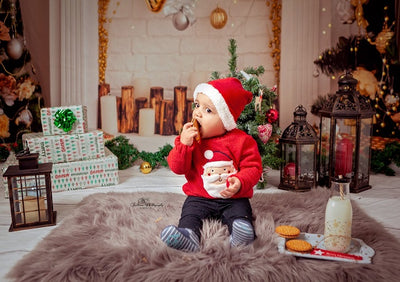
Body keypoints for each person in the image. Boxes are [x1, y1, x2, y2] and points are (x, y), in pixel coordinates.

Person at [160, 77, 263, 252]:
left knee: (240, 212)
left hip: (232, 198)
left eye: (208, 110)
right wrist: (184, 145)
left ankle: (241, 233)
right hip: (199, 197)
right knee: (190, 212)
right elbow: (177, 168)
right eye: (197, 105)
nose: (197, 113)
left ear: (226, 120)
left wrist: (240, 181)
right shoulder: (189, 140)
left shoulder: (242, 141)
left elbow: (253, 168)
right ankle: (189, 235)